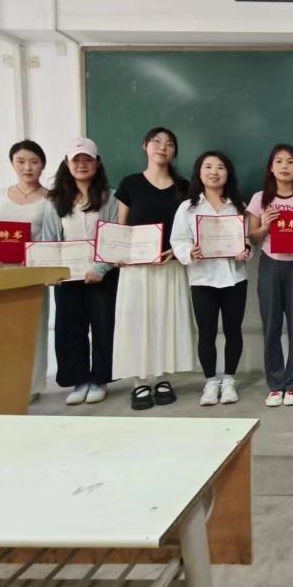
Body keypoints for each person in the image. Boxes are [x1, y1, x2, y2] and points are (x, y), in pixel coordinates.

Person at [112, 127, 195, 411]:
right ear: (145, 146)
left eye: (169, 144)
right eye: (156, 142)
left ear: (174, 152)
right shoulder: (130, 184)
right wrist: (118, 253)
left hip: (170, 266)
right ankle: (139, 381)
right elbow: (121, 226)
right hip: (136, 269)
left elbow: (189, 229)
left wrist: (179, 251)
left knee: (165, 321)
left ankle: (162, 379)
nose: (162, 147)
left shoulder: (184, 188)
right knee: (136, 322)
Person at [38, 138, 118, 406]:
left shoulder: (111, 197)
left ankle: (100, 380)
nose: (82, 165)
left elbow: (115, 237)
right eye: (76, 160)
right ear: (67, 163)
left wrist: (101, 268)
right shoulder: (55, 201)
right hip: (67, 277)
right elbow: (49, 240)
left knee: (104, 327)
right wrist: (53, 271)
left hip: (103, 275)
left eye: (88, 159)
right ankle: (79, 380)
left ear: (97, 163)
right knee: (70, 329)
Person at [0, 140, 50, 398]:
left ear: (43, 165)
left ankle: (31, 388)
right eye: (21, 161)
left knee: (32, 330)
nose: (28, 167)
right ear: (12, 164)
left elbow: (54, 239)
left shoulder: (51, 200)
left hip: (31, 275)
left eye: (34, 162)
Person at [171, 151, 252, 407]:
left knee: (233, 331)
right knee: (206, 333)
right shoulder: (188, 208)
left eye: (220, 167)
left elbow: (247, 241)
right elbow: (178, 240)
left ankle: (228, 381)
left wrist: (245, 250)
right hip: (203, 279)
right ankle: (210, 382)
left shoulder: (239, 206)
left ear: (228, 173)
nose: (214, 172)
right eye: (208, 167)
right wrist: (190, 252)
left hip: (234, 278)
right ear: (199, 172)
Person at [247, 144, 293, 408]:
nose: (285, 166)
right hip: (270, 265)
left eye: (290, 161)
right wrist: (265, 225)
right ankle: (275, 385)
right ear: (271, 168)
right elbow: (252, 237)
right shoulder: (260, 198)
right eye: (279, 161)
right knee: (271, 326)